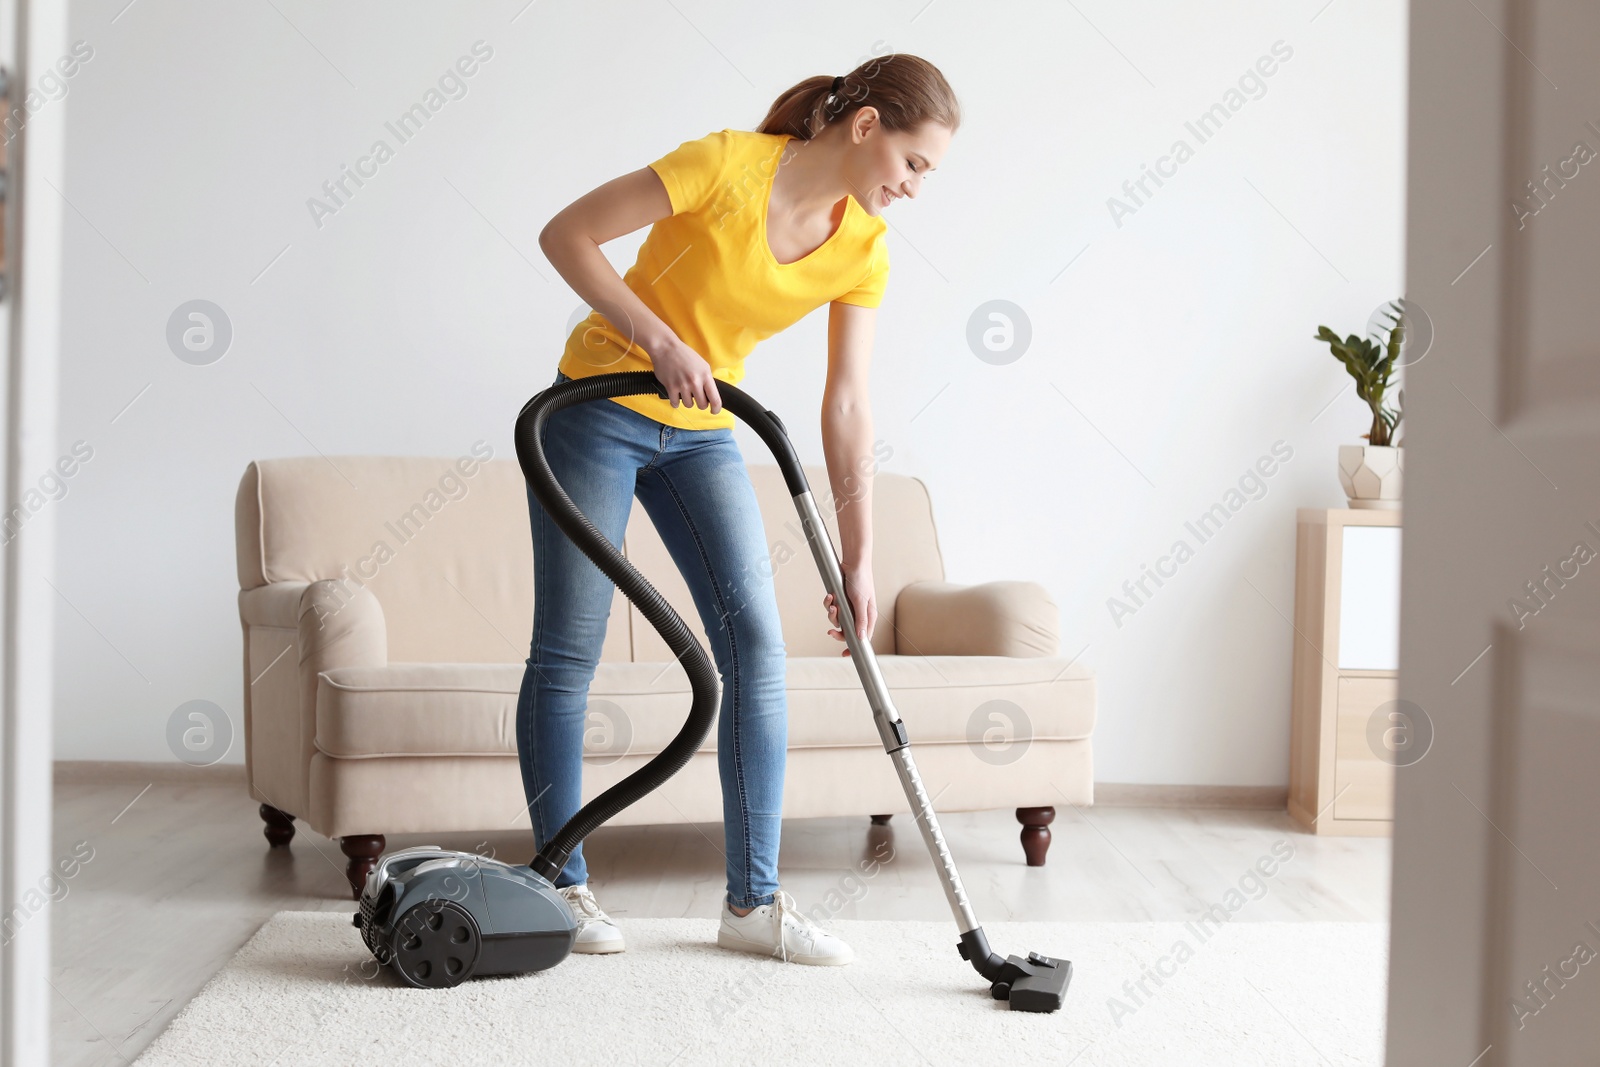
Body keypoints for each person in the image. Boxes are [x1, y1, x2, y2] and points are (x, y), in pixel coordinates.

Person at [519, 54, 957, 966]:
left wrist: (860, 554)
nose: (916, 190)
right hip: (596, 408)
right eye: (914, 164)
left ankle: (753, 903)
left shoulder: (863, 248)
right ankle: (559, 884)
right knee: (571, 645)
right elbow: (565, 235)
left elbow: (846, 404)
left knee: (754, 645)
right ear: (868, 125)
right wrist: (658, 335)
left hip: (704, 429)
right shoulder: (724, 165)